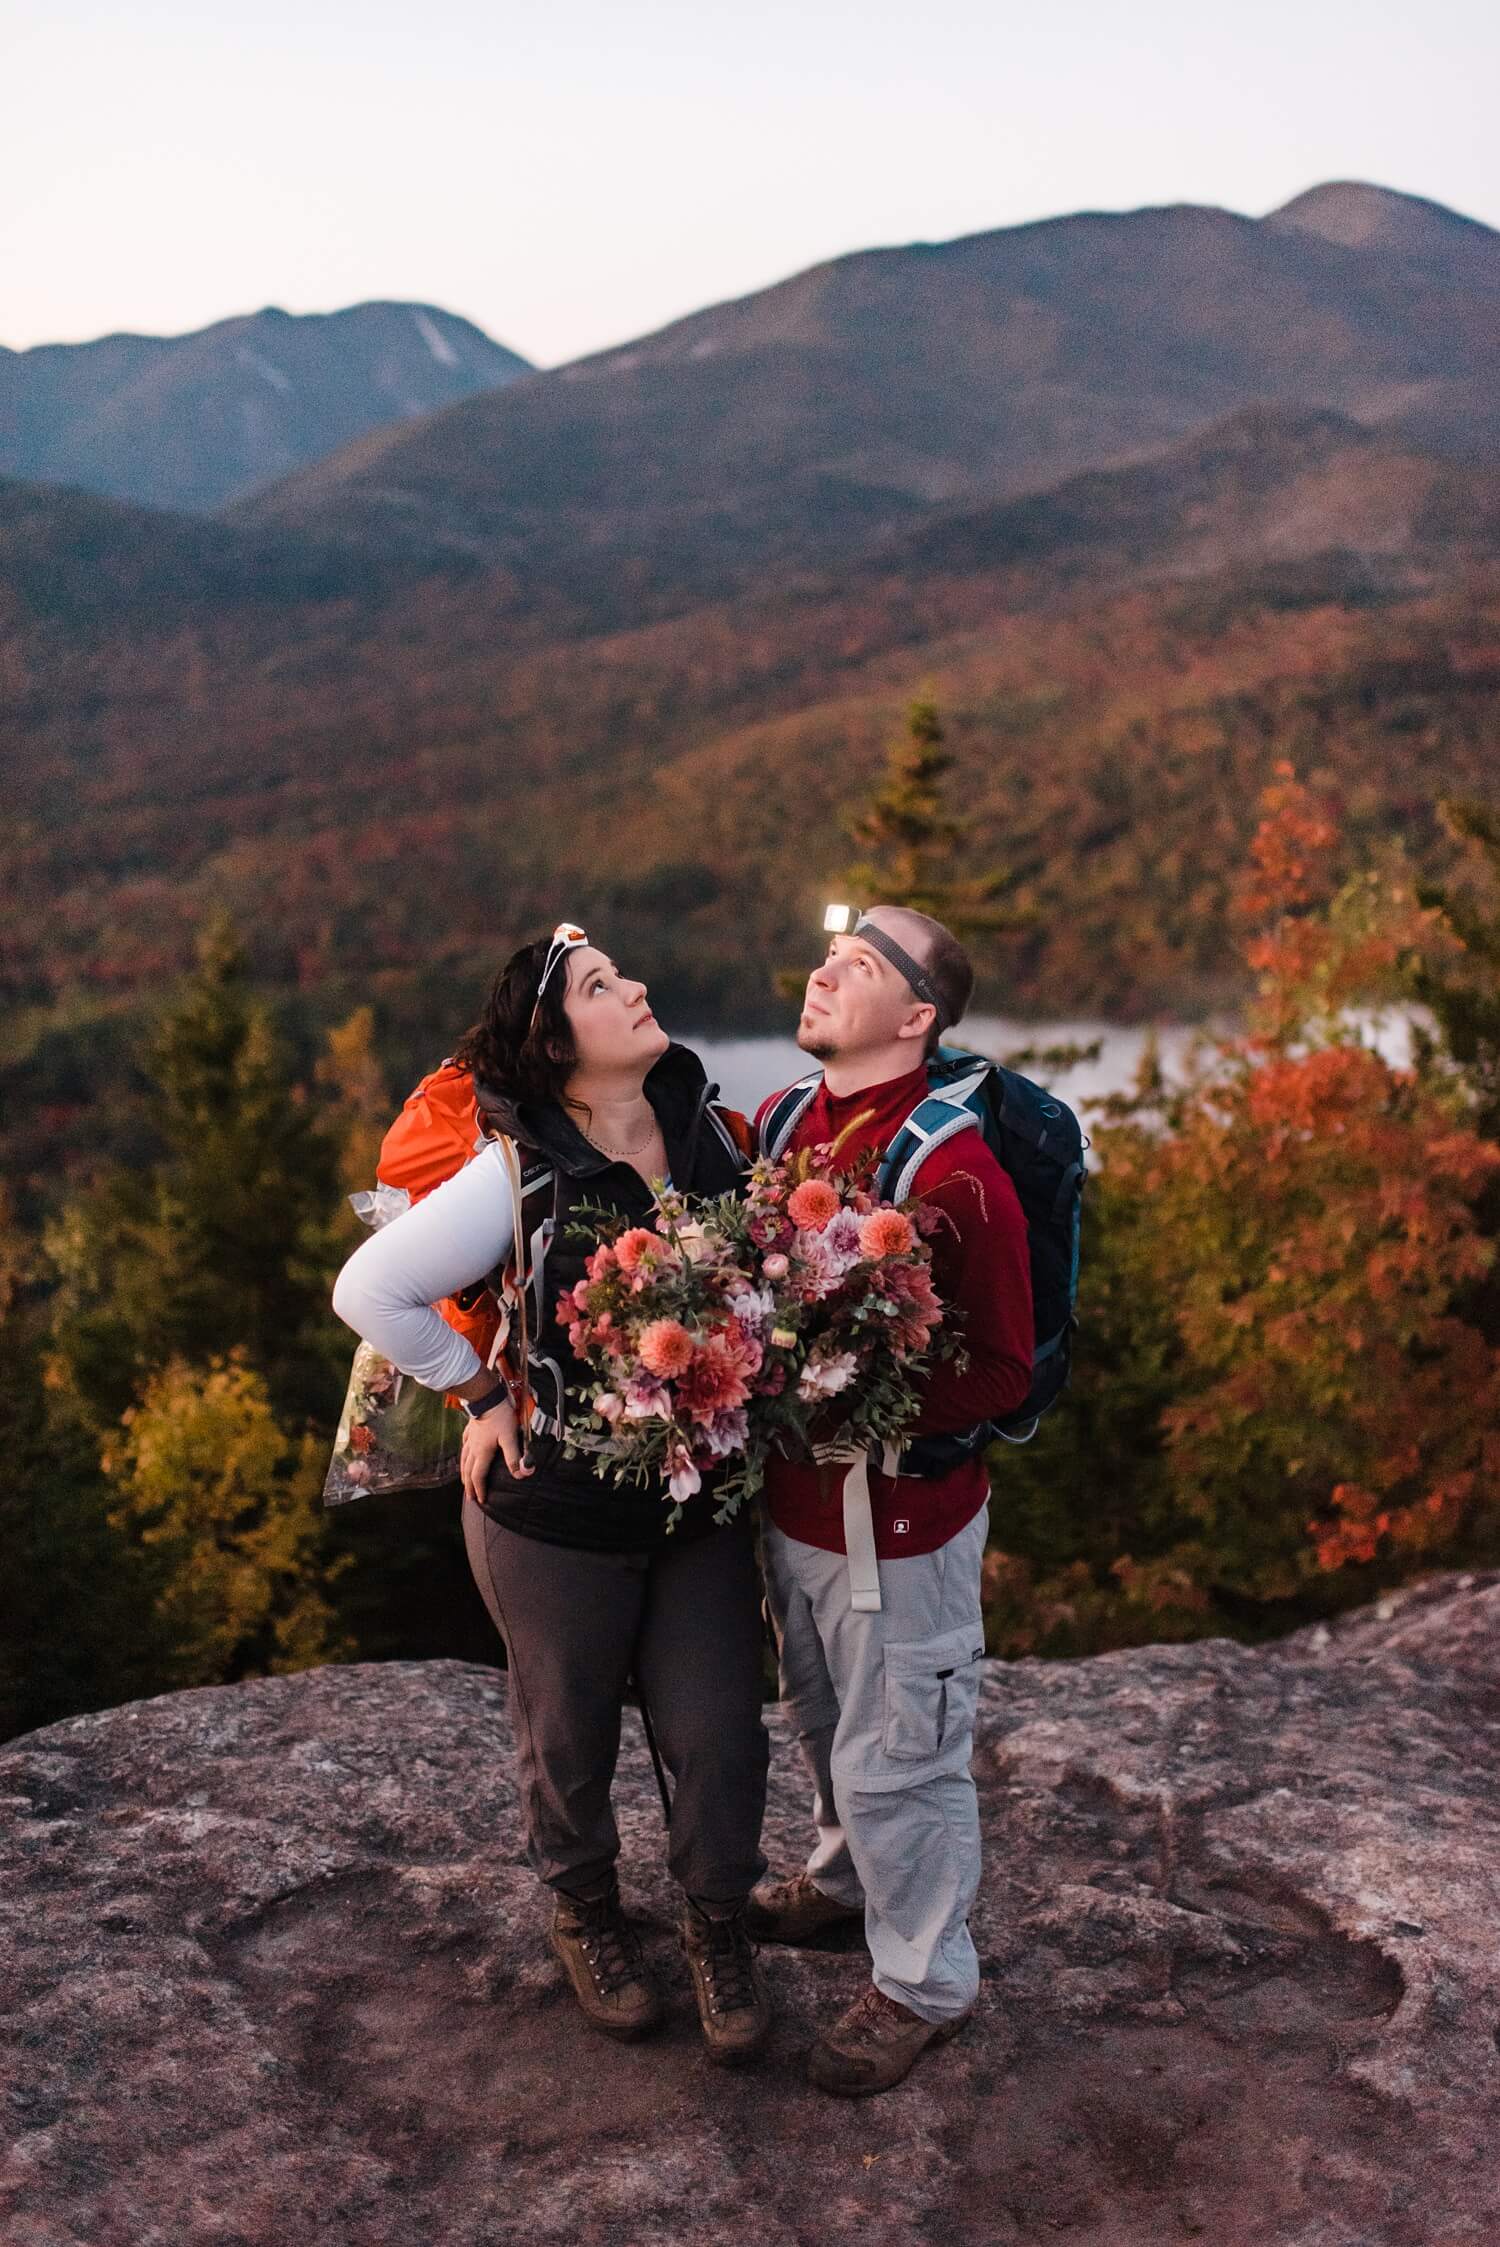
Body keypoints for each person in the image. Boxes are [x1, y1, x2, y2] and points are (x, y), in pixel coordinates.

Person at [332, 925, 773, 2064]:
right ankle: (586, 1912)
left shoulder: (719, 1143)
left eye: (625, 972)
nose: (631, 987)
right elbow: (372, 1288)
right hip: (554, 1514)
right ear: (554, 1041)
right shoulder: (517, 1172)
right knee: (565, 1733)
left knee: (720, 1733)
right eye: (597, 986)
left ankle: (716, 1926)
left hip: (697, 1512)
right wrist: (480, 1396)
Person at [747, 906, 1034, 2096]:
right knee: (826, 1722)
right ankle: (844, 1876)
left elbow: (1006, 1368)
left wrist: (853, 1389)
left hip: (900, 1526)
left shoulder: (957, 1174)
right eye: (828, 951)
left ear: (918, 1015)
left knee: (903, 1751)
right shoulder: (780, 1124)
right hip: (794, 1512)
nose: (823, 971)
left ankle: (924, 1984)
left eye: (860, 965)